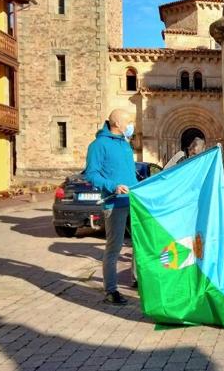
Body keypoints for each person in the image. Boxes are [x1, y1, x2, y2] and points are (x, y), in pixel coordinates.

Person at [85, 109, 138, 305]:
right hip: (114, 203)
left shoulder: (125, 144)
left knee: (139, 244)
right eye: (128, 122)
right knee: (114, 248)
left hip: (134, 202)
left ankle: (137, 280)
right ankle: (111, 290)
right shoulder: (98, 145)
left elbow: (128, 174)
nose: (131, 125)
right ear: (116, 123)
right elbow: (91, 174)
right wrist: (112, 186)